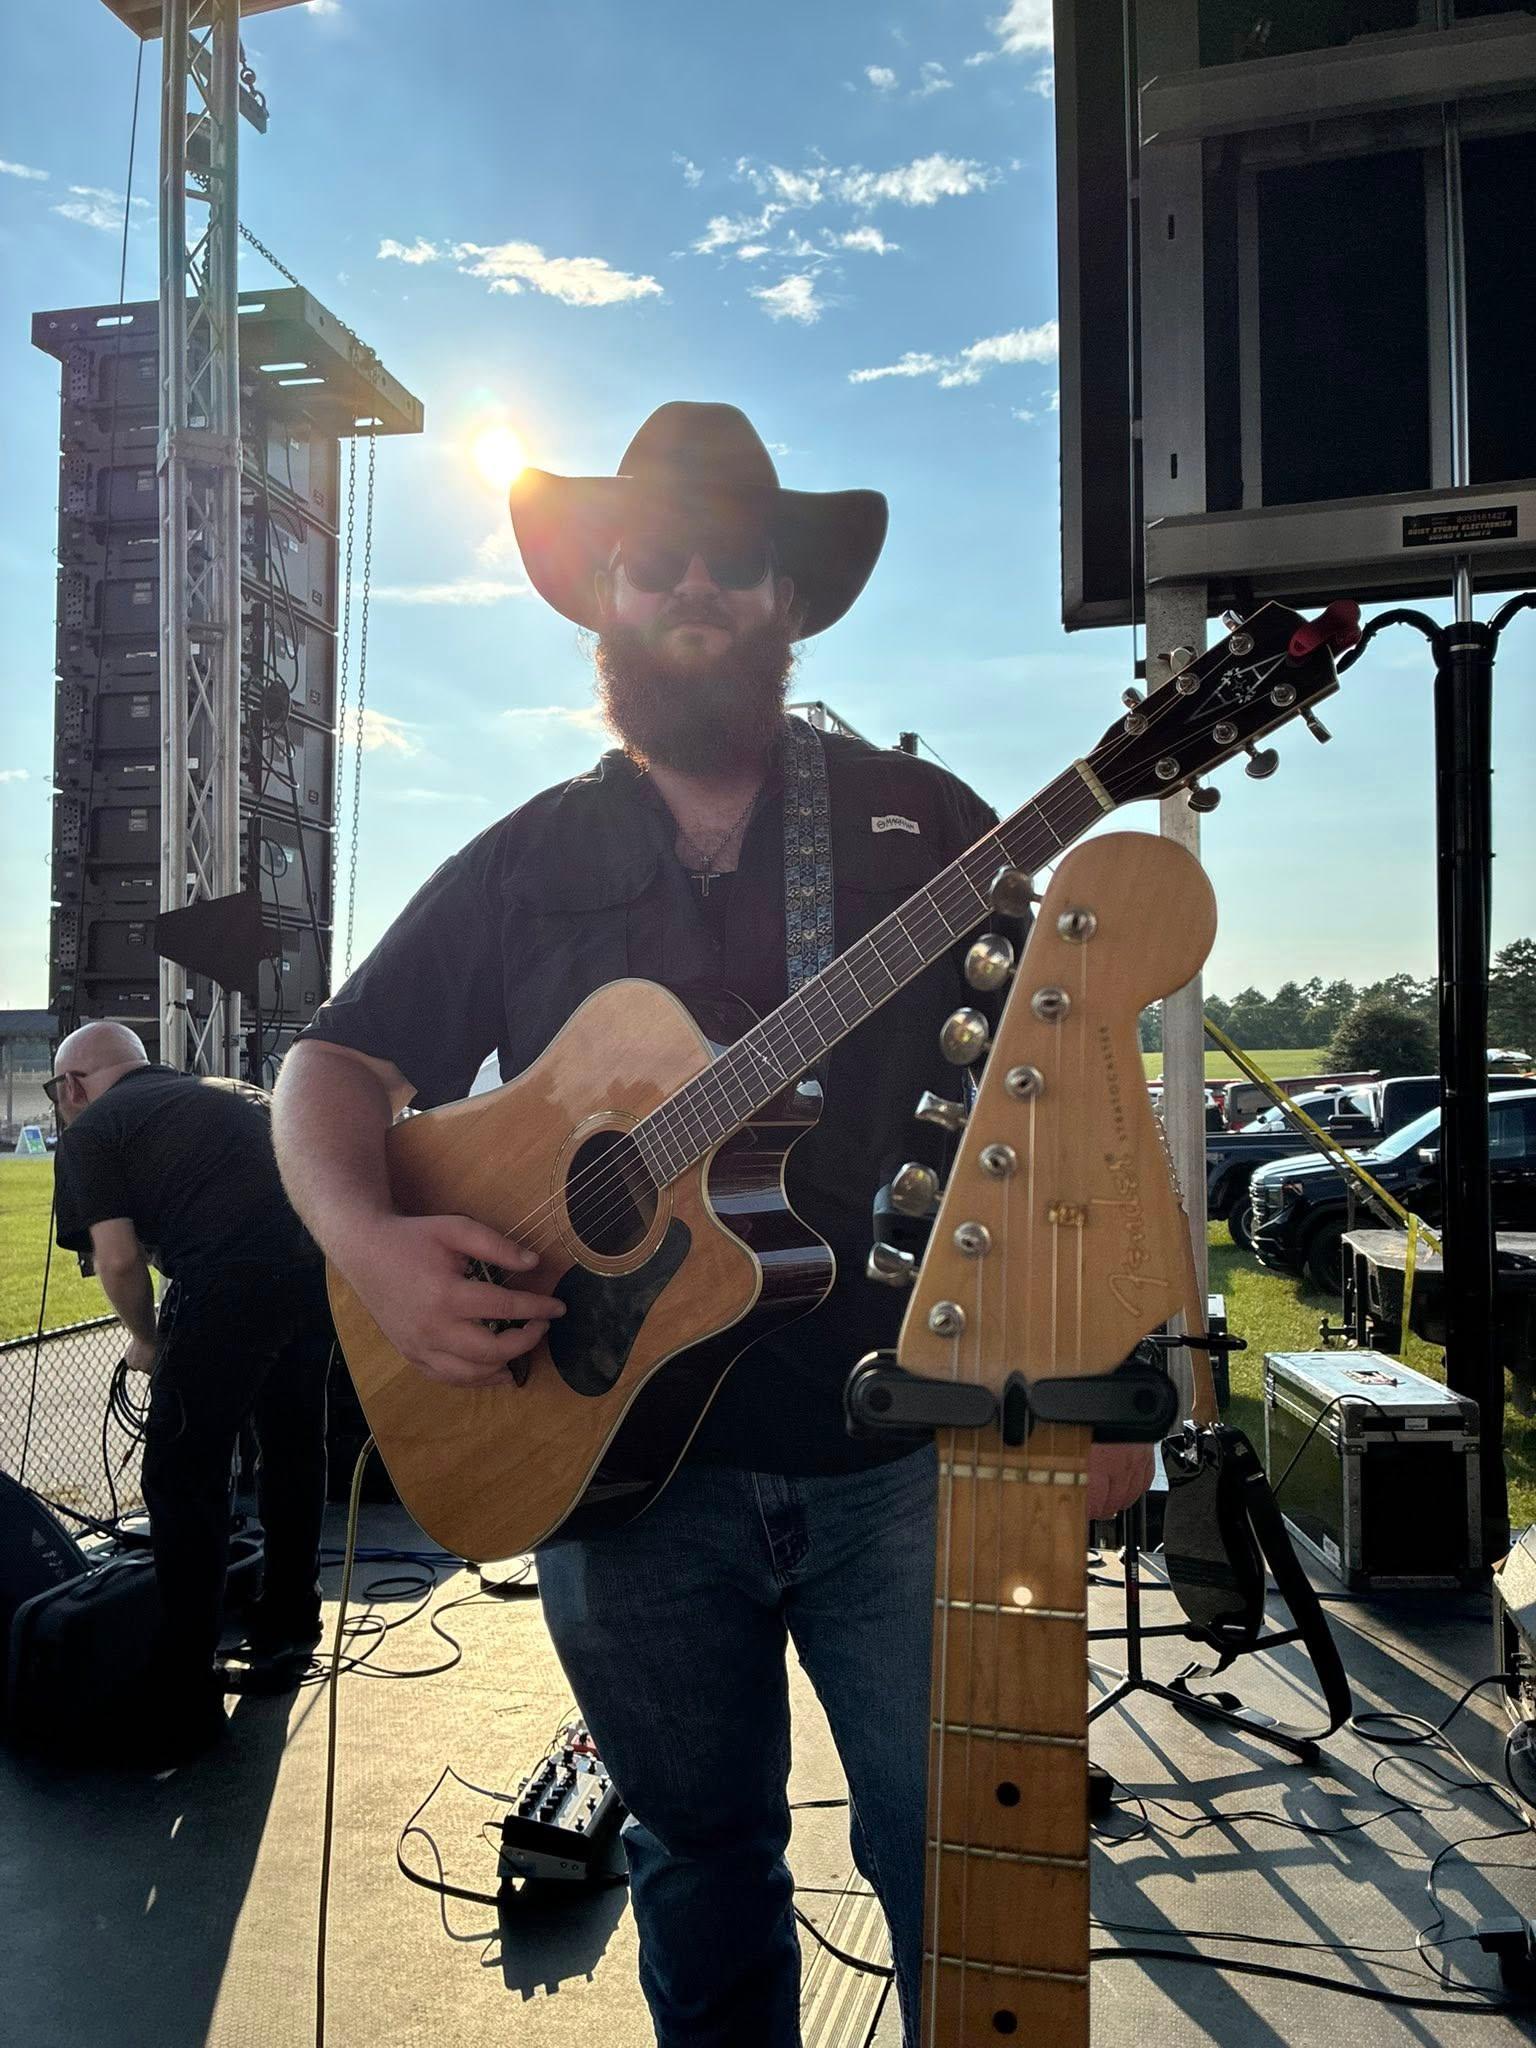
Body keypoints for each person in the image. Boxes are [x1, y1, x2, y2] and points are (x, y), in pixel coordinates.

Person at [272, 404, 1151, 2044]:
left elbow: (1067, 1086)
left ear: (787, 601)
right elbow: (329, 1062)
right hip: (605, 1466)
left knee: (955, 1859)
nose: (693, 589)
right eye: (654, 560)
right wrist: (377, 1249)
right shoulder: (533, 857)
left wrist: (1112, 1356)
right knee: (698, 1858)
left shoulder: (919, 819)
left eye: (731, 563)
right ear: (605, 592)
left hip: (899, 1453)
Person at [49, 1020, 333, 1762]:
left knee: (181, 1480)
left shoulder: (93, 1129)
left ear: (74, 1084)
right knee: (295, 1449)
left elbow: (116, 1261)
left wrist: (148, 1340)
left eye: (60, 1089)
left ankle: (183, 1694)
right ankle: (289, 1628)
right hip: (315, 1271)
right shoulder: (238, 1091)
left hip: (225, 1284)